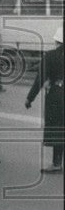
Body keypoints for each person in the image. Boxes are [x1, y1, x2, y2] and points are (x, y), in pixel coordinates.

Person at [26, 26, 64, 173]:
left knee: (57, 128)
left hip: (57, 95)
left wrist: (30, 98)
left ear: (56, 41)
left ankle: (56, 163)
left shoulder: (50, 55)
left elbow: (39, 79)